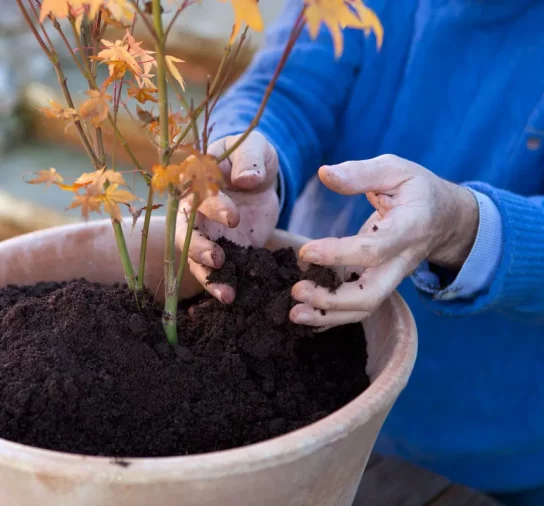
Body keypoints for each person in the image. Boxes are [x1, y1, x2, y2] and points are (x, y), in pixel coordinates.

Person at [177, 0, 544, 504]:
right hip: (315, 398)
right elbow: (286, 88)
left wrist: (463, 224)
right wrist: (249, 154)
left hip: (496, 457)